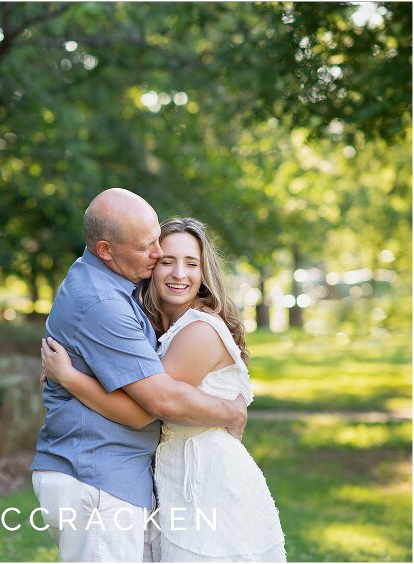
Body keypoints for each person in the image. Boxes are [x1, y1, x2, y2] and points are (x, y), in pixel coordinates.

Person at [41, 217, 286, 562]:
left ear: (205, 273)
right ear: (151, 267)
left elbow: (148, 407)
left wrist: (70, 378)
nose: (179, 274)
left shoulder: (198, 331)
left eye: (191, 263)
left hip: (208, 482)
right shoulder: (155, 328)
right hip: (175, 479)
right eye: (167, 261)